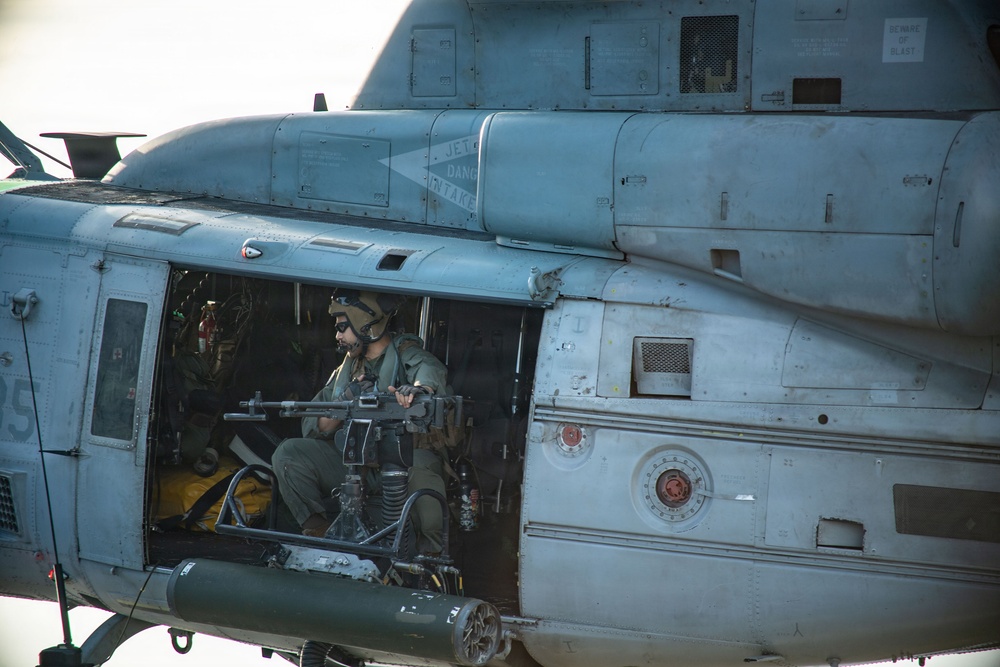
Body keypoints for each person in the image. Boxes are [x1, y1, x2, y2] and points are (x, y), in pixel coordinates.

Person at [271, 290, 449, 554]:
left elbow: (429, 371)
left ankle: (429, 557)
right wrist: (346, 399)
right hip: (356, 462)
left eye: (342, 327)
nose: (337, 336)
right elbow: (317, 428)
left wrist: (419, 390)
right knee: (288, 454)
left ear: (365, 325)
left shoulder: (406, 354)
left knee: (424, 477)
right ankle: (322, 537)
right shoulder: (347, 371)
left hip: (405, 458)